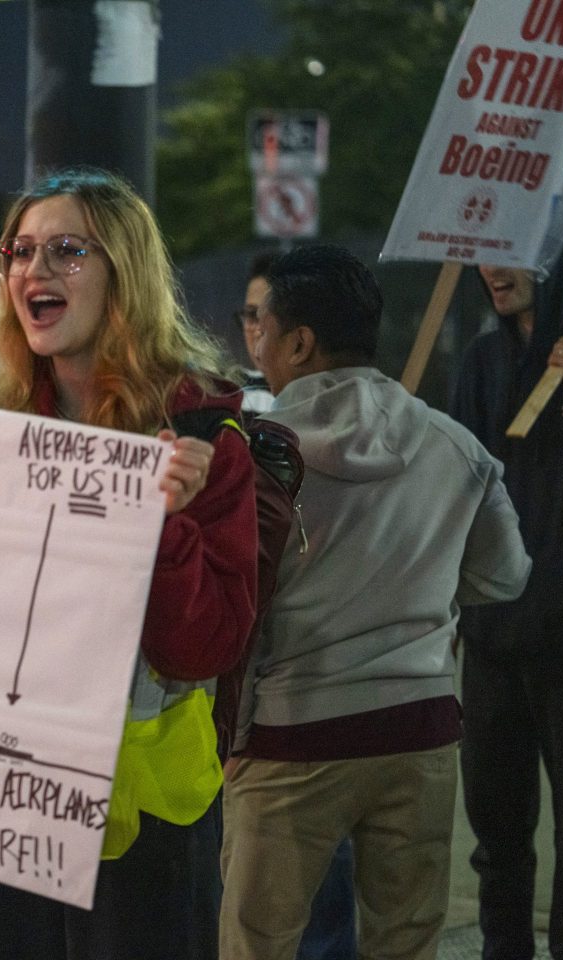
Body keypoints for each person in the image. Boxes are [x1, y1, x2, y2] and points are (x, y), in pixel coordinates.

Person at [0, 167, 259, 959]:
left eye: (67, 251)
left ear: (126, 273)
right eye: (20, 251)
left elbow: (206, 648)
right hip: (0, 802)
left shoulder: (204, 436)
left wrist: (164, 529)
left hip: (146, 821)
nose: (34, 271)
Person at [218, 245, 531, 960]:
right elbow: (506, 576)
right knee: (406, 943)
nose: (254, 340)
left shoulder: (259, 455)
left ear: (300, 342)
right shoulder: (456, 448)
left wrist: (232, 739)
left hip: (293, 734)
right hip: (418, 729)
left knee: (254, 943)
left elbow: (240, 606)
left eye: (260, 325)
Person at [450, 257, 563, 960]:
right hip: (493, 636)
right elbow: (461, 486)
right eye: (483, 256)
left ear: (549, 257)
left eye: (511, 254)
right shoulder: (480, 359)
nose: (493, 271)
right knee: (497, 835)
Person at [239, 250, 357, 960]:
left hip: (314, 686)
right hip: (254, 693)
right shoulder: (222, 409)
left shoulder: (326, 426)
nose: (253, 332)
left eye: (263, 317)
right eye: (246, 316)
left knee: (321, 888)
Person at [235, 252, 276, 415]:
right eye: (251, 315)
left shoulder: (325, 400)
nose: (258, 330)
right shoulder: (229, 397)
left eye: (269, 314)